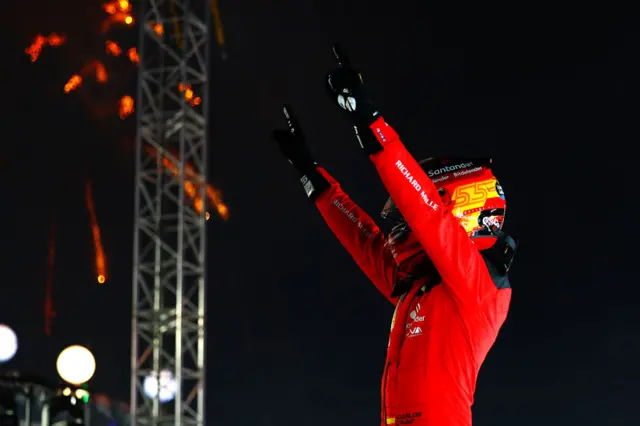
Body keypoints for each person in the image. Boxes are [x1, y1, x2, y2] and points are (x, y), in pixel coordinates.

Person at [271, 45, 517, 426]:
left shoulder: (478, 288)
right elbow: (363, 239)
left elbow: (427, 214)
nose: (400, 226)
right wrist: (310, 173)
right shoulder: (418, 286)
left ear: (464, 207)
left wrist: (369, 121)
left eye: (407, 215)